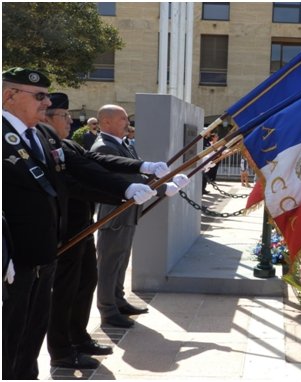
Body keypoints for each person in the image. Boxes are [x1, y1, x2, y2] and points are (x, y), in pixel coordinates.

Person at [2, 67, 157, 379]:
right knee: (9, 338)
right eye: (40, 96)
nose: (46, 104)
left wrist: (125, 187)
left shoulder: (42, 135)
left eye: (46, 96)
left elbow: (81, 168)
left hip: (45, 253)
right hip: (12, 259)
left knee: (32, 332)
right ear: (9, 96)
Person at [43, 93, 180, 369]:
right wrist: (123, 194)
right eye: (64, 116)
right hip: (64, 232)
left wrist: (143, 166)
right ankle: (61, 350)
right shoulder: (46, 147)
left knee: (86, 283)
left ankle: (79, 338)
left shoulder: (68, 145)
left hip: (82, 227)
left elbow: (100, 165)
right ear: (47, 119)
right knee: (64, 292)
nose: (71, 120)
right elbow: (76, 184)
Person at [91, 104, 190, 329]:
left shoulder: (122, 144)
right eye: (122, 119)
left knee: (121, 259)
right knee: (109, 263)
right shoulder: (104, 147)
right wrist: (165, 188)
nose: (127, 123)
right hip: (114, 213)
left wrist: (167, 185)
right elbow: (125, 181)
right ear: (106, 122)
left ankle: (118, 301)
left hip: (128, 211)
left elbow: (136, 176)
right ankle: (107, 310)